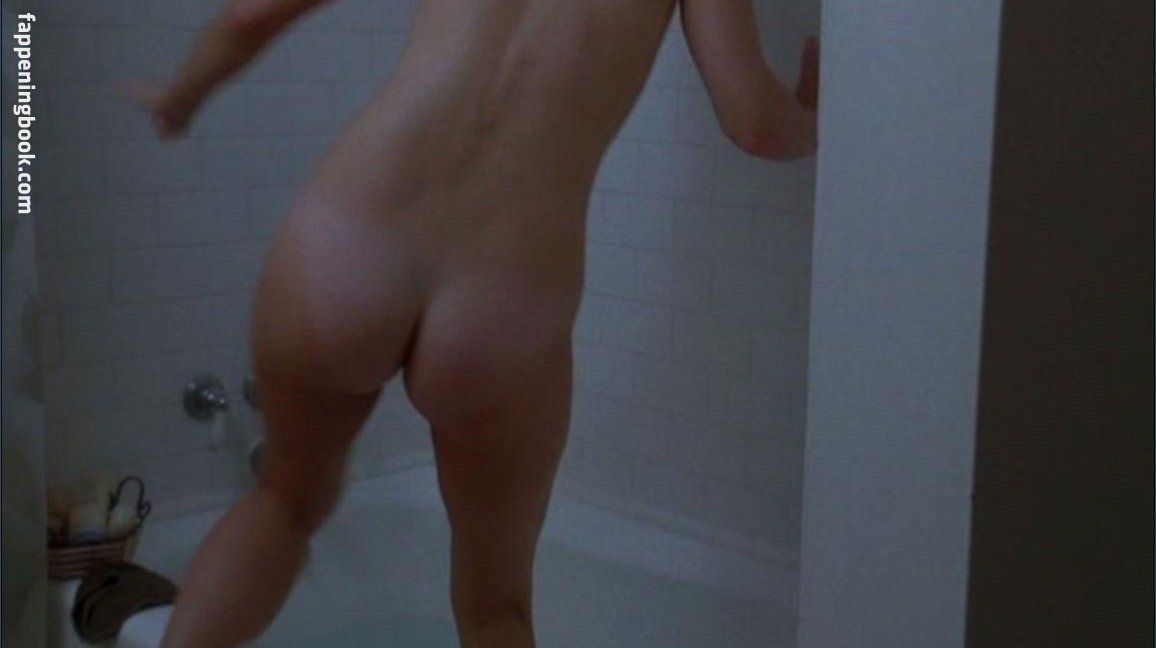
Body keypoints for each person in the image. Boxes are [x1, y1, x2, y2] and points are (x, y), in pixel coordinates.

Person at [122, 0, 819, 646]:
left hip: (353, 235)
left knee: (284, 503)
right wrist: (818, 116)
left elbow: (248, 17)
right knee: (495, 607)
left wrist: (181, 96)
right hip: (508, 291)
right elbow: (755, 122)